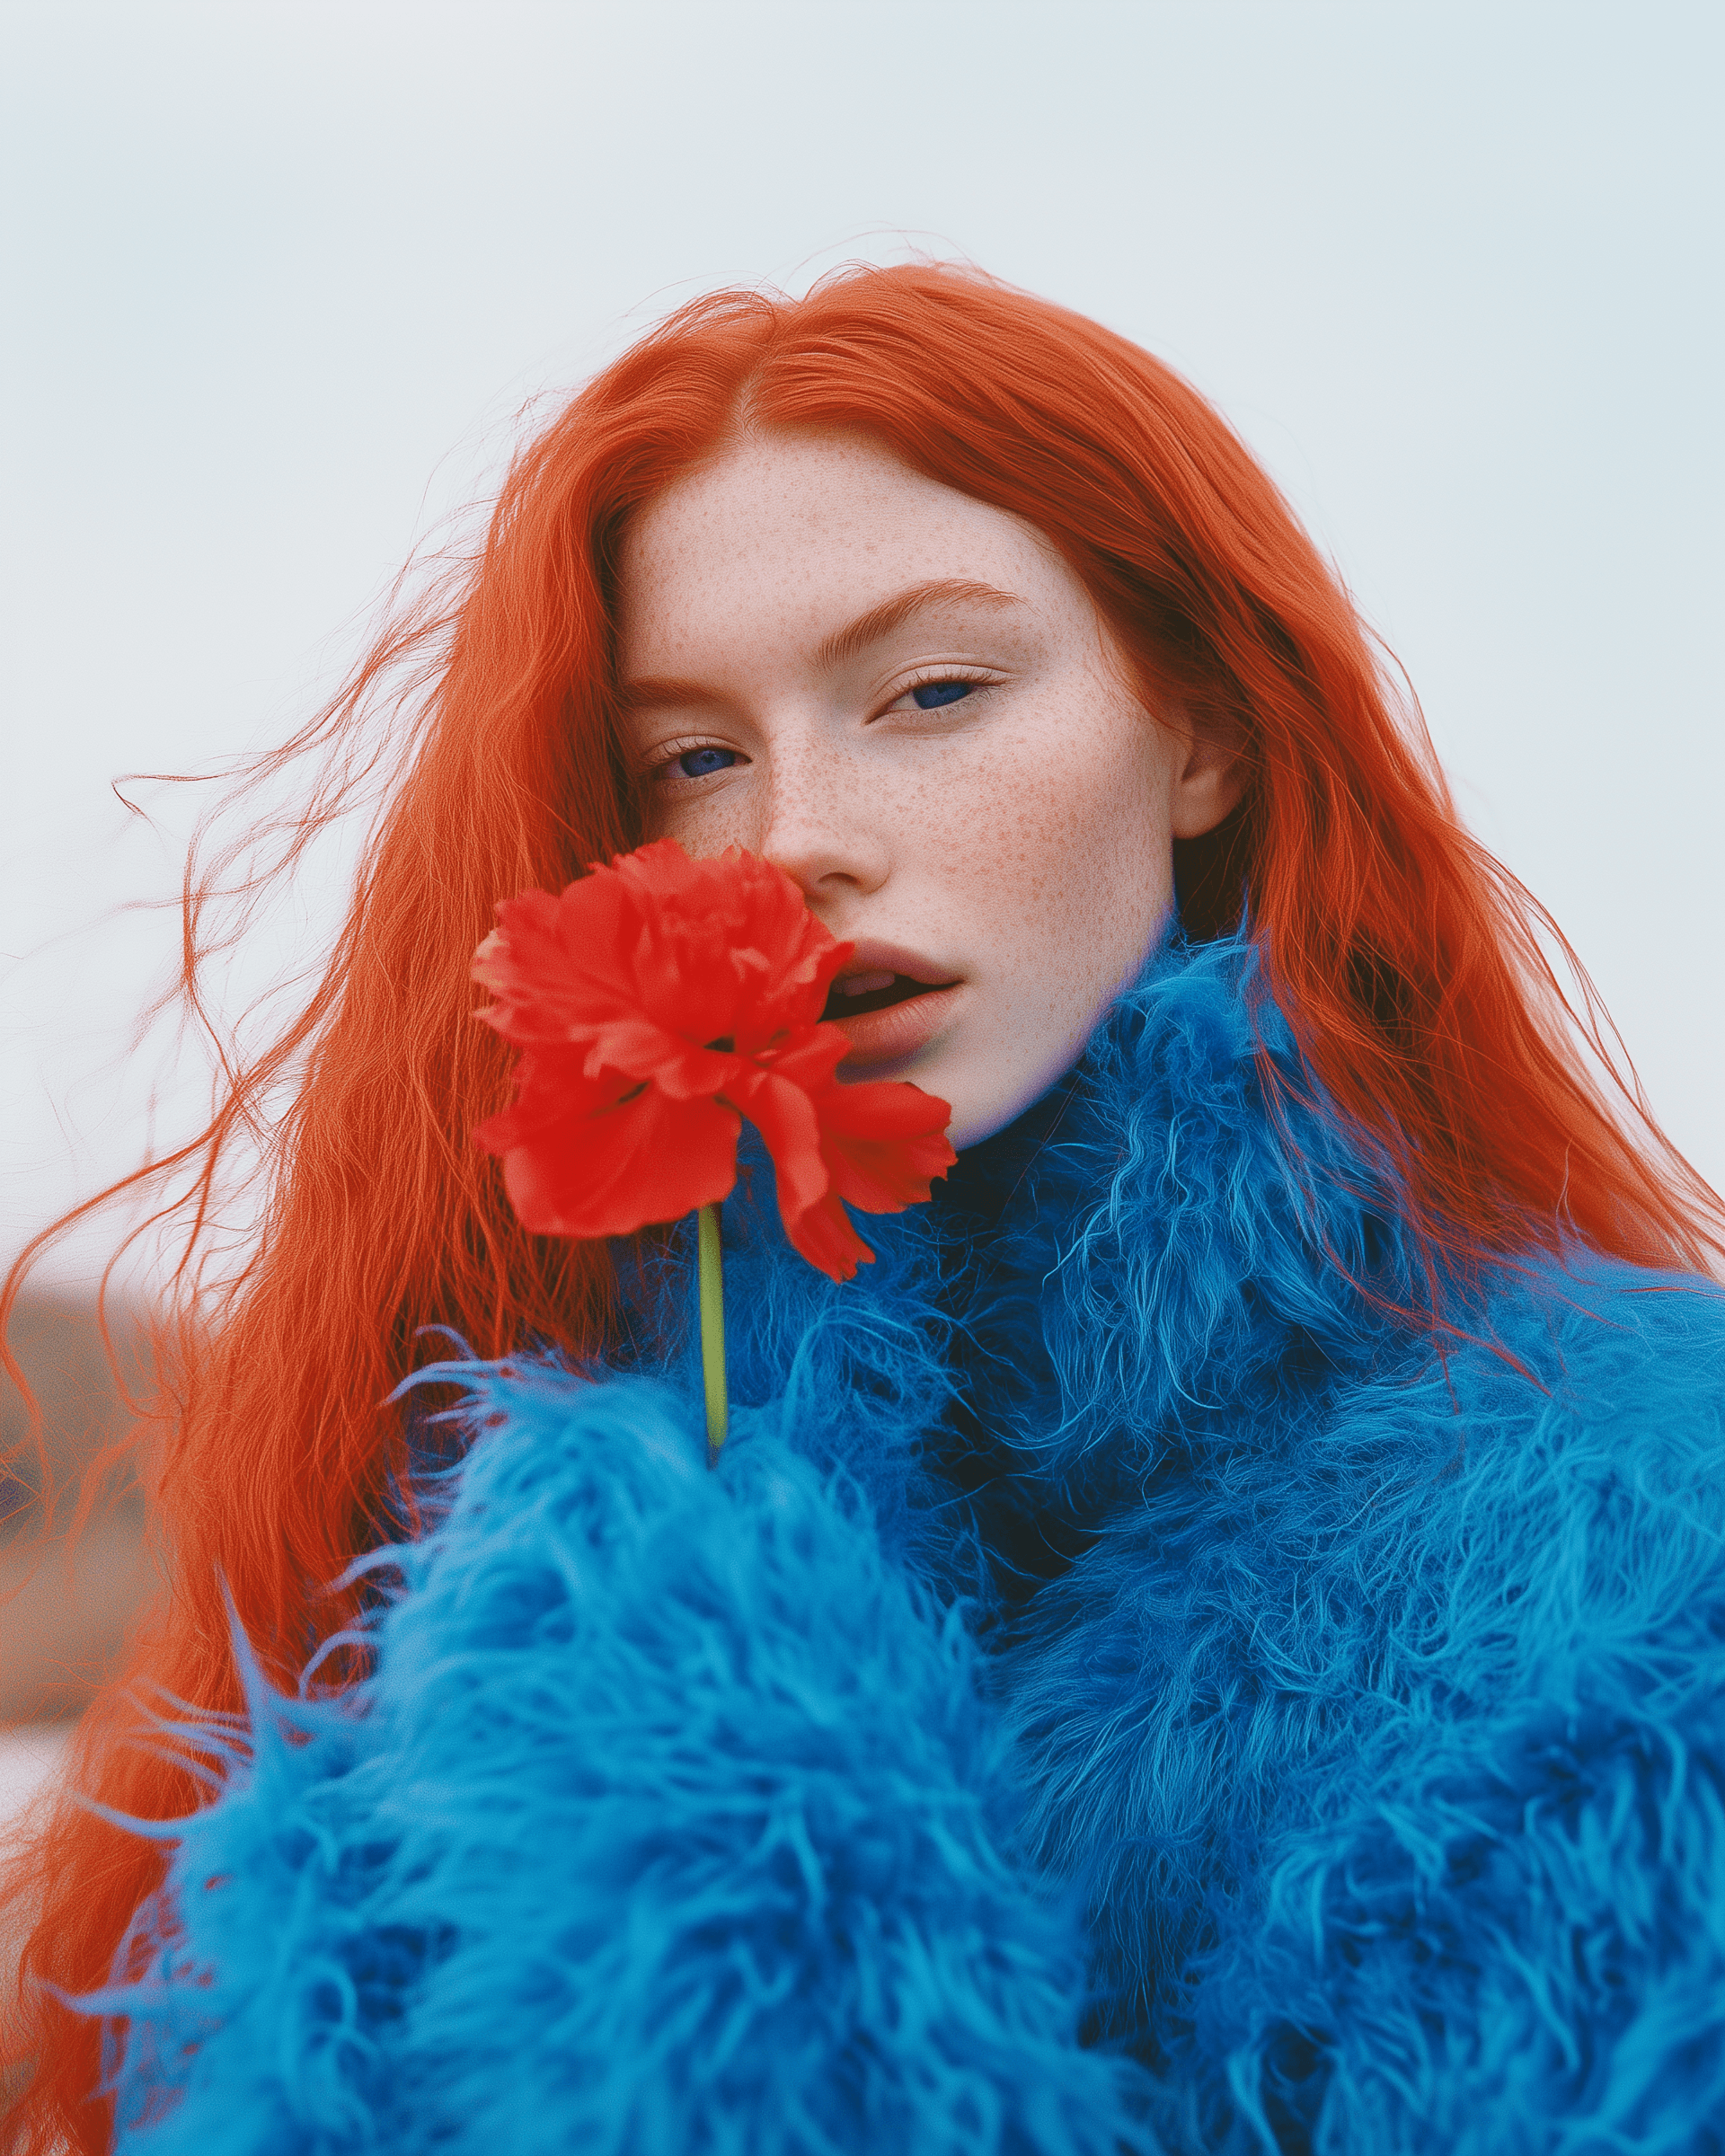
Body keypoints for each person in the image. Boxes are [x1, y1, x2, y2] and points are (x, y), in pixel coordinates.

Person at [5, 261, 1724, 2154]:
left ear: (1207, 733)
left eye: (933, 691)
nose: (799, 832)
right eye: (697, 759)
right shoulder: (475, 1575)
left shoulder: (1648, 1561)